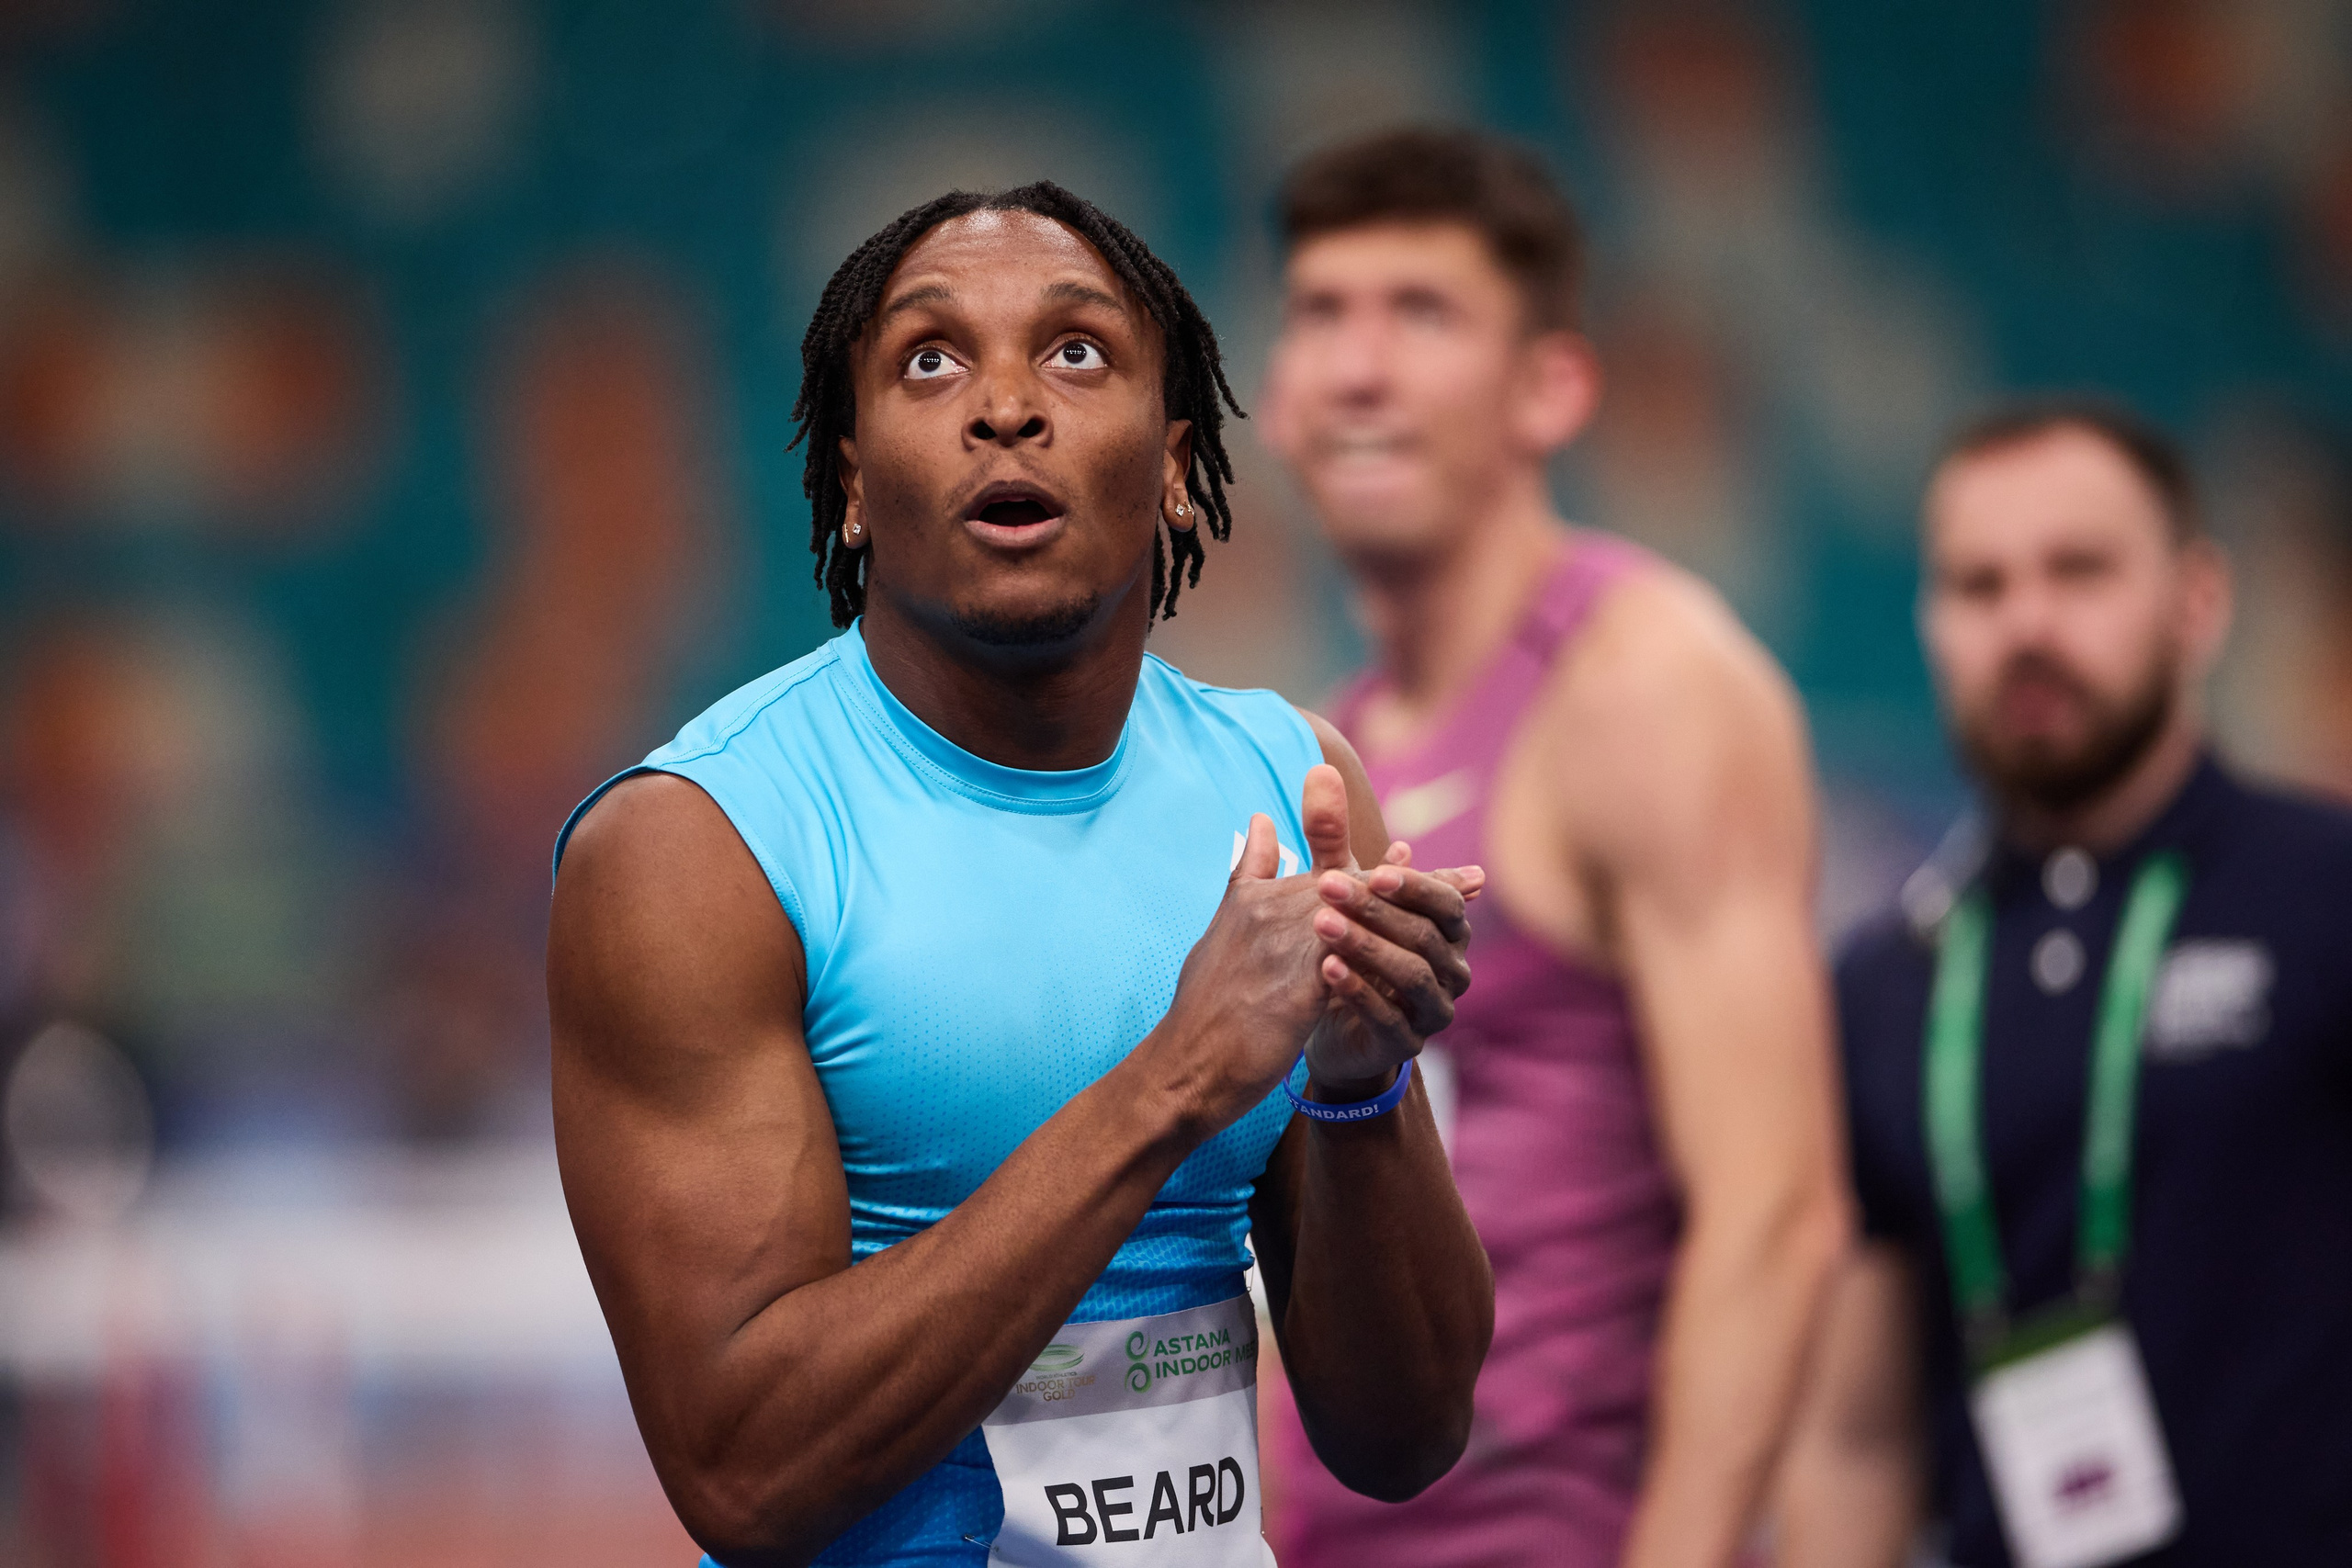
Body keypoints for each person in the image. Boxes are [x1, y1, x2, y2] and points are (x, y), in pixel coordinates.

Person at [546, 182, 1496, 1568]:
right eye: (932, 359)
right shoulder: (699, 845)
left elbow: (1403, 1435)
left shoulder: (1292, 785)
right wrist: (1175, 1081)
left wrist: (1360, 1086)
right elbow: (745, 1470)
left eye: (1077, 352)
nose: (1006, 405)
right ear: (855, 483)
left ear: (1176, 466)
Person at [1257, 127, 1849, 1568]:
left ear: (1553, 387)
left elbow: (1776, 1211)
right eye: (1324, 313)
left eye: (1424, 312)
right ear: (1273, 399)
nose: (1360, 366)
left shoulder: (1645, 686)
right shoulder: (1321, 749)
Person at [1776, 402, 2352, 1567]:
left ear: (2198, 601)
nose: (2026, 622)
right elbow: (1855, 1434)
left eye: (2078, 571)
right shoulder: (1890, 982)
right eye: (1978, 587)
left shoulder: (2327, 893)